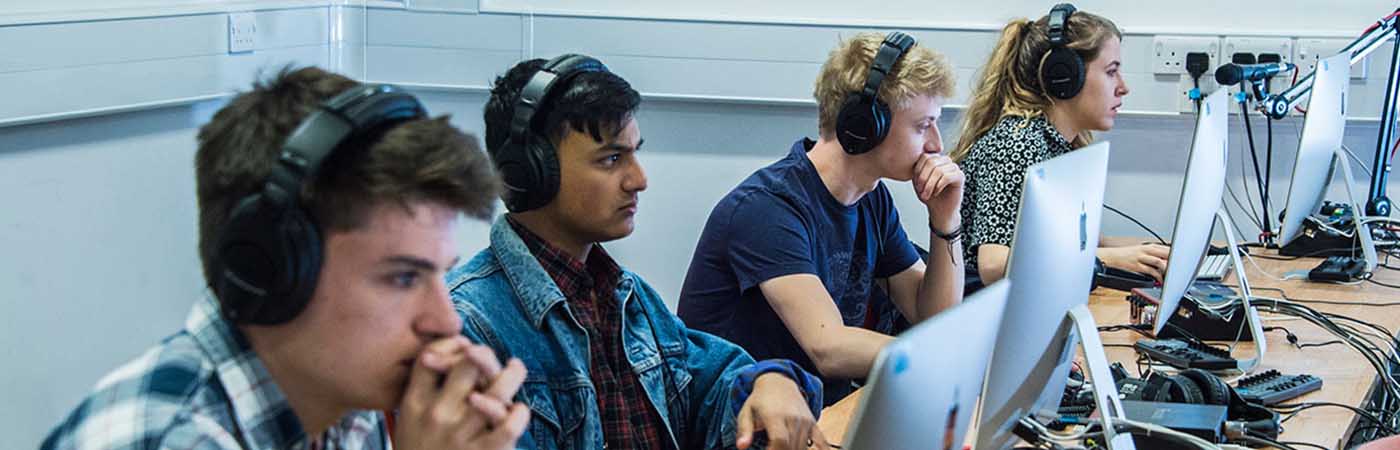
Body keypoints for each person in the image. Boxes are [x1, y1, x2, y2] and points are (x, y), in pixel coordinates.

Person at [42, 67, 527, 450]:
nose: (446, 322)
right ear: (268, 271)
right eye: (403, 278)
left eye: (440, 274)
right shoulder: (171, 437)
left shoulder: (343, 404)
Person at [448, 54, 829, 450]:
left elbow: (713, 379)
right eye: (612, 159)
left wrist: (770, 381)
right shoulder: (471, 326)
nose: (639, 180)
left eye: (634, 154)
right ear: (529, 173)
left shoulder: (630, 297)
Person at [676, 31, 965, 405]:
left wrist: (946, 220)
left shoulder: (872, 200)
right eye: (923, 125)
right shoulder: (767, 208)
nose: (936, 145)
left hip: (816, 413)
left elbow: (934, 318)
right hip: (744, 425)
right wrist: (940, 359)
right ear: (864, 125)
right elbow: (829, 347)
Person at [951, 3, 1167, 286]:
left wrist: (1142, 255)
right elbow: (994, 265)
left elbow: (1074, 243)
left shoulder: (1059, 143)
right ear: (1065, 77)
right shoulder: (1017, 145)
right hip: (989, 318)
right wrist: (1108, 260)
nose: (1123, 87)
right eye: (1111, 72)